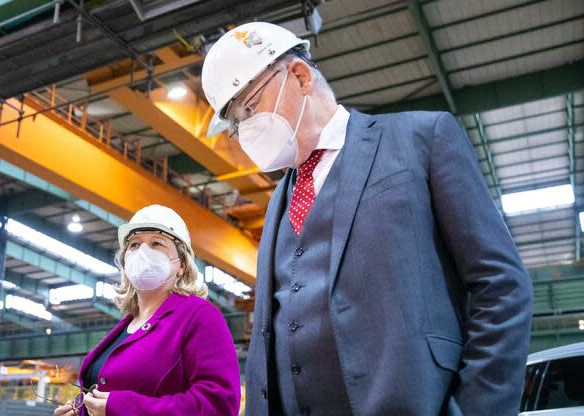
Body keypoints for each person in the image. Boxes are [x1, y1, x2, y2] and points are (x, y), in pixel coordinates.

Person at [201, 22, 533, 416]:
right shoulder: (278, 202)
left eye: (250, 108)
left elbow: (501, 286)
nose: (245, 132)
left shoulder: (422, 139)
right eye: (236, 124)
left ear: (300, 76)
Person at [53, 205, 241, 416]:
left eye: (157, 243)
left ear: (182, 265)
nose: (143, 252)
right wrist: (82, 409)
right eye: (134, 244)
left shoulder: (199, 315)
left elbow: (219, 405)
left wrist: (122, 408)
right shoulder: (126, 326)